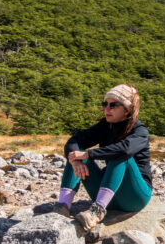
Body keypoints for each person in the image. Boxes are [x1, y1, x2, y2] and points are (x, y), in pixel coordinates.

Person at [54, 84, 153, 231]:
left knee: (121, 155)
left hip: (134, 197)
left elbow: (125, 150)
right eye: (105, 104)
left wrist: (88, 154)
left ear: (127, 110)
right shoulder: (105, 126)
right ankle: (63, 207)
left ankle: (96, 212)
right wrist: (76, 160)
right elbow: (74, 141)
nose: (107, 109)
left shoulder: (139, 131)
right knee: (75, 153)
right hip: (108, 196)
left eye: (113, 105)